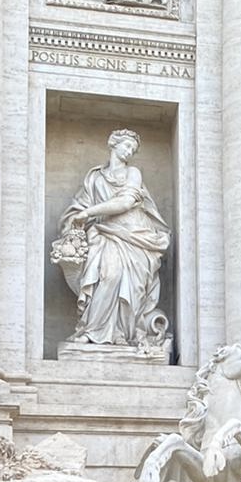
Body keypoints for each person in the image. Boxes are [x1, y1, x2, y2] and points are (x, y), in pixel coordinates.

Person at [52, 128, 170, 348]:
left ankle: (122, 333)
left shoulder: (133, 173)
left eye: (133, 149)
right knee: (109, 276)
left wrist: (88, 213)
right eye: (127, 146)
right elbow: (79, 206)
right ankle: (93, 330)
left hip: (135, 236)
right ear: (113, 144)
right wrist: (75, 220)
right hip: (104, 233)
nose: (130, 152)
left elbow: (125, 203)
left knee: (132, 286)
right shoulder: (95, 177)